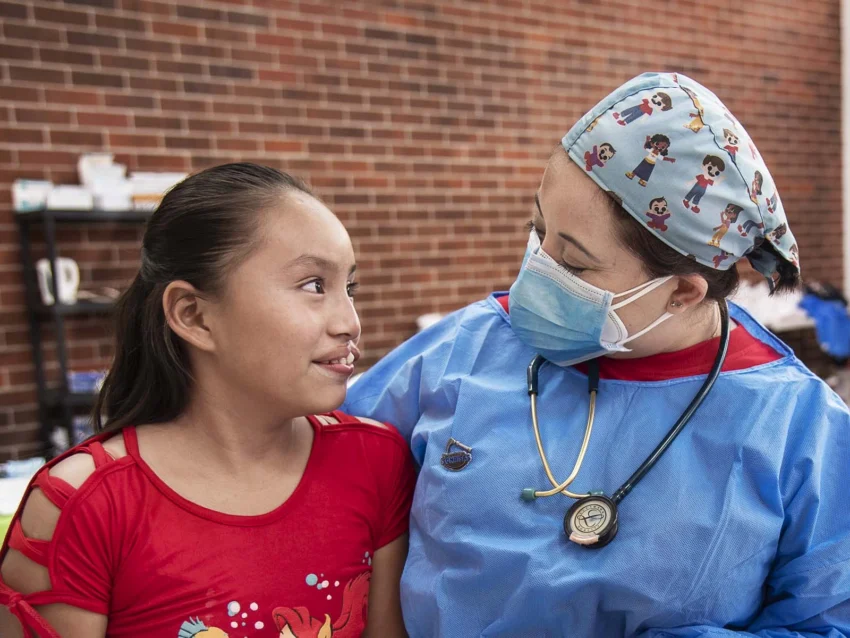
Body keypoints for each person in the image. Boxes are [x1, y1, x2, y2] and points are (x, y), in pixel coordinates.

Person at [344, 73, 850, 636]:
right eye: (539, 232)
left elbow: (829, 621)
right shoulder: (463, 350)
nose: (538, 272)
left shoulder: (797, 429)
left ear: (683, 291)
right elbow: (320, 469)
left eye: (576, 265)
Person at [0, 163, 414, 637]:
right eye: (314, 286)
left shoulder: (374, 461)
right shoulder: (87, 503)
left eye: (350, 288)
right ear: (193, 315)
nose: (350, 323)